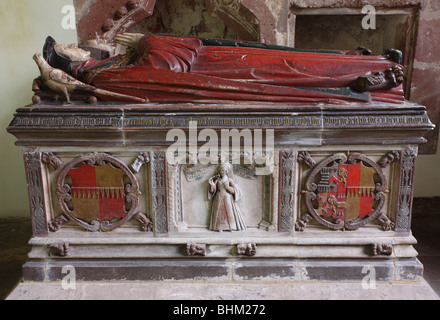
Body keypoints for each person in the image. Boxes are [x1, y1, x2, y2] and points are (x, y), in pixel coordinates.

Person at [44, 33, 405, 104]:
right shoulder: (101, 75)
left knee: (289, 58)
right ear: (72, 63)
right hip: (216, 76)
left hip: (214, 57)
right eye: (70, 48)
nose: (80, 45)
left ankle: (375, 65)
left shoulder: (108, 62)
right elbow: (161, 76)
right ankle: (362, 84)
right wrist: (151, 43)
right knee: (289, 70)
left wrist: (149, 42)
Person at [208, 163, 246, 232]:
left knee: (229, 211)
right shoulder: (217, 180)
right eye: (222, 171)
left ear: (227, 171)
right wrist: (212, 187)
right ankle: (219, 227)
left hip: (227, 197)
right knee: (219, 212)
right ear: (219, 171)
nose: (223, 172)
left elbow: (236, 189)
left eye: (225, 171)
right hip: (219, 197)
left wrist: (228, 188)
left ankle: (231, 227)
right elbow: (213, 190)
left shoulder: (229, 180)